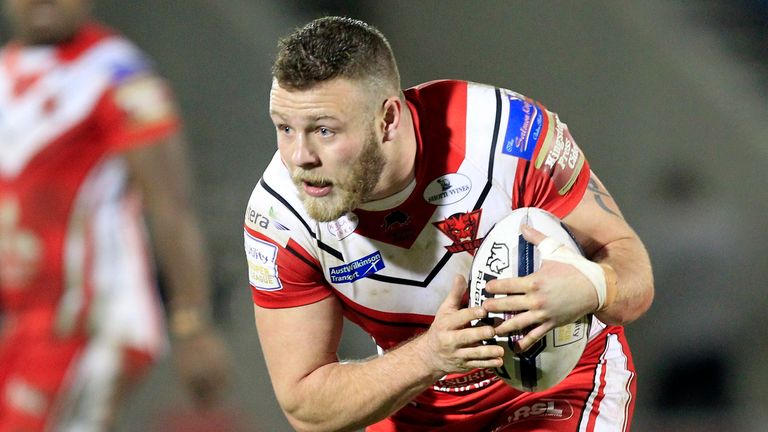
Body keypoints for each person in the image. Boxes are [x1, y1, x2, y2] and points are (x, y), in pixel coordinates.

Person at [244, 16, 654, 432]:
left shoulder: (504, 136)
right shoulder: (279, 215)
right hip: (415, 402)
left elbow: (634, 276)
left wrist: (592, 286)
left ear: (387, 120)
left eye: (324, 130)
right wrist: (430, 356)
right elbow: (306, 407)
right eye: (284, 128)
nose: (300, 157)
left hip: (560, 388)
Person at [0, 0, 229, 430]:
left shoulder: (117, 73)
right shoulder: (5, 73)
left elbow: (171, 204)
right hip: (26, 322)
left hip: (93, 320)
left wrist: (192, 323)